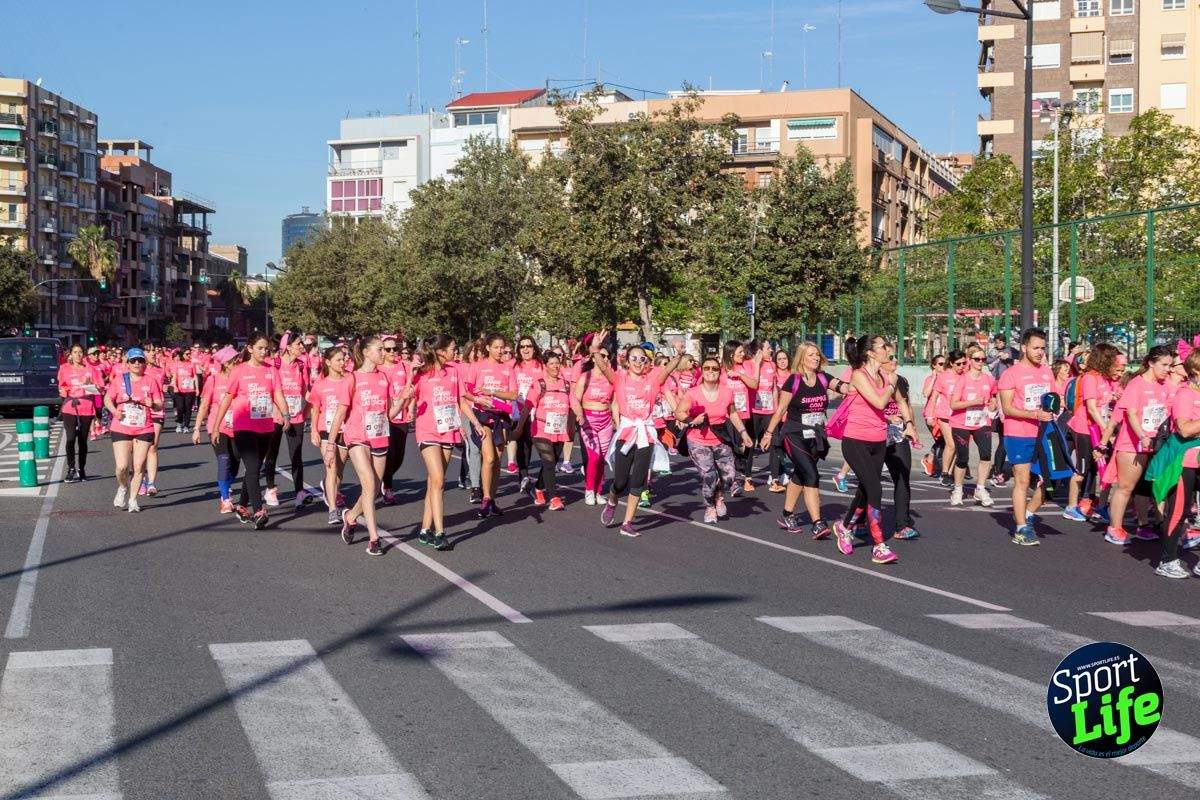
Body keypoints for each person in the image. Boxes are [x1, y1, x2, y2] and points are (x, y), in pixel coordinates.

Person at [588, 333, 683, 537]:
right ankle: (613, 499)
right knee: (621, 481)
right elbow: (604, 367)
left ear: (648, 362)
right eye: (634, 358)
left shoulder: (653, 379)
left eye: (643, 359)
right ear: (626, 361)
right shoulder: (619, 378)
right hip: (626, 432)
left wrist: (678, 354)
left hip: (645, 434)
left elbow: (668, 369)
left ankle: (627, 523)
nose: (639, 362)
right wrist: (596, 349)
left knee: (639, 480)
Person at [398, 334, 485, 550]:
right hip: (427, 430)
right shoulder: (422, 372)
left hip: (449, 430)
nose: (455, 352)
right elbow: (407, 395)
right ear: (440, 351)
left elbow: (461, 401)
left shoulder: (455, 371)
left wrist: (475, 423)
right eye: (452, 348)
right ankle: (439, 532)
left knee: (434, 482)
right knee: (438, 480)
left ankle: (425, 529)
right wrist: (410, 375)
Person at [760, 342, 846, 538]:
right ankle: (818, 523)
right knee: (812, 475)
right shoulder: (794, 380)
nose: (815, 358)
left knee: (800, 474)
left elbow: (844, 387)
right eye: (811, 355)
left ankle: (787, 514)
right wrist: (768, 434)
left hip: (816, 436)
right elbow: (781, 409)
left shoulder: (823, 378)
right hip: (794, 434)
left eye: (817, 354)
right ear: (802, 358)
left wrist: (860, 378)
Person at [328, 336, 403, 557]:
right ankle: (373, 538)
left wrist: (404, 400)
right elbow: (340, 413)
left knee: (374, 487)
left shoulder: (384, 378)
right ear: (367, 352)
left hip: (379, 435)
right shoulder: (352, 378)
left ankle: (351, 518)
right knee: (369, 482)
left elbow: (388, 414)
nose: (384, 353)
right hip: (357, 436)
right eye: (380, 349)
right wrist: (331, 444)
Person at [210, 334, 293, 530]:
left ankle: (241, 505)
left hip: (265, 427)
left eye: (267, 349)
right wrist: (216, 426)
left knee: (253, 468)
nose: (264, 352)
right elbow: (227, 399)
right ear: (250, 348)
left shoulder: (271, 370)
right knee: (254, 466)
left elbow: (278, 394)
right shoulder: (239, 371)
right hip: (243, 426)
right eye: (260, 348)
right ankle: (258, 510)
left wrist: (286, 415)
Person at [831, 334, 900, 564]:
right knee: (876, 490)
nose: (887, 349)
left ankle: (844, 526)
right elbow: (879, 402)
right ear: (871, 352)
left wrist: (894, 418)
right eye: (882, 346)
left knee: (865, 489)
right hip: (855, 440)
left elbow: (883, 409)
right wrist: (892, 384)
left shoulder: (881, 375)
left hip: (878, 439)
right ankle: (879, 545)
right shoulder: (859, 375)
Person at [1104, 345, 1173, 546]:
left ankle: (1147, 525)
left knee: (1149, 487)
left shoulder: (1166, 384)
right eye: (1164, 365)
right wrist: (1142, 435)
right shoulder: (1137, 384)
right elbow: (1132, 413)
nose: (1167, 369)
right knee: (1126, 486)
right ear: (1151, 363)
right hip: (1132, 444)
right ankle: (1114, 528)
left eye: (1170, 365)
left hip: (1158, 443)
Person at [997, 328, 1056, 546]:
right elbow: (1008, 408)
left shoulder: (1046, 372)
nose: (1040, 352)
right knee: (1022, 481)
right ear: (1024, 348)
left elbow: (1051, 399)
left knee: (1054, 481)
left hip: (1043, 433)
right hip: (1019, 434)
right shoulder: (1011, 374)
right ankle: (1021, 528)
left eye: (1043, 348)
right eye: (1036, 348)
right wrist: (1034, 414)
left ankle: (1028, 512)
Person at [677, 355, 751, 523]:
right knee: (709, 476)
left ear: (719, 372)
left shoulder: (727, 392)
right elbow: (679, 413)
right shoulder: (693, 393)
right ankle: (710, 507)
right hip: (698, 439)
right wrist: (691, 420)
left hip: (720, 438)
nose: (711, 371)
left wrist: (744, 433)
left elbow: (732, 413)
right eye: (707, 368)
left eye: (715, 369)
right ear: (702, 372)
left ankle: (719, 496)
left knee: (729, 475)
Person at [1063, 343, 1121, 522]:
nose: (1116, 362)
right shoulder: (1089, 378)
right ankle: (1071, 507)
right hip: (1084, 429)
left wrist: (1113, 398)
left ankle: (1101, 506)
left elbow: (1104, 402)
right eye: (1112, 359)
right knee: (1082, 469)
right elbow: (1091, 407)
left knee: (1105, 468)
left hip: (1100, 429)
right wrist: (1106, 427)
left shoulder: (1105, 378)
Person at [1155, 348, 1200, 578]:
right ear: (1196, 372)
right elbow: (1183, 428)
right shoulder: (1186, 394)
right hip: (1185, 461)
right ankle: (1168, 560)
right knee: (1178, 511)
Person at [462, 334, 518, 517]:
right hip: (483, 415)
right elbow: (466, 392)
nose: (500, 351)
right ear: (488, 348)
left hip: (501, 416)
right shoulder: (477, 367)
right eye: (496, 347)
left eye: (502, 347)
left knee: (497, 461)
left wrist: (492, 392)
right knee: (489, 458)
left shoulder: (508, 369)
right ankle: (485, 498)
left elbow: (513, 395)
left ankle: (492, 499)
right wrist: (479, 399)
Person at [104, 347, 164, 513]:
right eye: (133, 361)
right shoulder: (119, 380)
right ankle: (123, 487)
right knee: (122, 467)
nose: (137, 363)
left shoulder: (151, 381)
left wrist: (153, 404)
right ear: (127, 363)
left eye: (140, 360)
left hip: (144, 427)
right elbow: (108, 398)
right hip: (121, 425)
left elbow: (160, 403)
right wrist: (114, 411)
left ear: (144, 363)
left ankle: (133, 499)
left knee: (138, 467)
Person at [516, 350, 574, 510]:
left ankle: (538, 488)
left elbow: (573, 406)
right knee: (548, 462)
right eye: (552, 364)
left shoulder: (566, 385)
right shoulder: (539, 384)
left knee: (552, 462)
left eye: (557, 363)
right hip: (541, 429)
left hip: (559, 429)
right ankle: (554, 498)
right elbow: (527, 407)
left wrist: (574, 424)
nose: (556, 366)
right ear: (545, 366)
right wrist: (520, 428)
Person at [192, 346, 241, 513]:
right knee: (224, 460)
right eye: (236, 361)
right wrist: (197, 428)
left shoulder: (240, 379)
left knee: (235, 463)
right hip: (217, 427)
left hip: (238, 427)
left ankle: (226, 487)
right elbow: (204, 405)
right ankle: (225, 498)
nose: (239, 363)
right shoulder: (213, 380)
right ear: (227, 364)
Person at [263, 334, 310, 509]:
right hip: (275, 416)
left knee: (296, 455)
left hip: (296, 415)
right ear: (288, 347)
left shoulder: (301, 365)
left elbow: (305, 391)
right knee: (271, 454)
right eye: (299, 344)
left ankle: (299, 492)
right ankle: (270, 488)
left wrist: (313, 407)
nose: (302, 347)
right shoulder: (273, 364)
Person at [307, 346, 353, 526]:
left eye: (344, 359)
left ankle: (329, 487)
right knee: (331, 467)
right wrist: (313, 431)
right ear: (328, 362)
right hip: (326, 430)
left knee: (339, 471)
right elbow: (315, 409)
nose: (343, 363)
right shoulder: (320, 384)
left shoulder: (349, 380)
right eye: (338, 360)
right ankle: (333, 509)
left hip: (345, 430)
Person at [948, 343, 997, 507]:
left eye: (983, 359)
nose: (981, 362)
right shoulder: (962, 379)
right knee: (963, 457)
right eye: (977, 359)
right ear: (970, 360)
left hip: (982, 422)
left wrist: (993, 405)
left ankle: (980, 488)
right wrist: (972, 402)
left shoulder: (989, 380)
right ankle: (958, 489)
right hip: (961, 422)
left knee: (985, 455)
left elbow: (994, 396)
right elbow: (953, 404)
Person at [881, 344, 921, 539]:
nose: (894, 361)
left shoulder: (901, 381)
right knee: (869, 482)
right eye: (890, 358)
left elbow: (906, 404)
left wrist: (911, 427)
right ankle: (859, 520)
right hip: (876, 433)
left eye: (895, 357)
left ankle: (902, 525)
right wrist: (887, 418)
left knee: (903, 475)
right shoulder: (869, 380)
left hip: (898, 433)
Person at [572, 335, 616, 506]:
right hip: (589, 420)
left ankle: (598, 491)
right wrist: (579, 414)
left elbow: (615, 402)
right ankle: (589, 490)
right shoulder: (585, 376)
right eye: (601, 355)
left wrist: (617, 421)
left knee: (602, 458)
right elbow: (575, 399)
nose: (604, 358)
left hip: (606, 422)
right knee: (594, 457)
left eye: (606, 356)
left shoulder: (611, 378)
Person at [720, 340, 762, 494]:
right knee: (733, 447)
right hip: (727, 415)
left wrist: (739, 374)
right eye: (739, 352)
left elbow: (754, 384)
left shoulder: (744, 366)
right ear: (730, 354)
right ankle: (733, 480)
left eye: (743, 352)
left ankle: (739, 477)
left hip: (744, 413)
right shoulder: (721, 370)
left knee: (745, 446)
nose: (743, 354)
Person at [58, 344, 103, 483]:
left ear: (83, 355)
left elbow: (100, 389)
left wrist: (91, 385)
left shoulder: (90, 369)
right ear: (70, 354)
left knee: (82, 440)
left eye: (80, 352)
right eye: (75, 352)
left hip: (86, 407)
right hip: (70, 407)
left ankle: (81, 468)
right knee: (71, 438)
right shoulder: (64, 368)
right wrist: (63, 391)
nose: (78, 355)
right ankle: (71, 468)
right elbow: (62, 386)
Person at [379, 337, 413, 506]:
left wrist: (412, 408)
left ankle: (384, 476)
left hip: (402, 416)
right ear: (382, 351)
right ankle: (388, 486)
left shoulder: (405, 366)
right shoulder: (378, 369)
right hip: (384, 417)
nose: (392, 352)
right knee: (389, 453)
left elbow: (412, 389)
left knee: (399, 455)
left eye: (395, 349)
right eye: (388, 349)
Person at [512, 336, 544, 494]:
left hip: (537, 410)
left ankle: (540, 479)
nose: (525, 349)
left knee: (537, 444)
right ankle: (523, 475)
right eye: (522, 346)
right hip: (518, 410)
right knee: (522, 444)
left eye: (529, 346)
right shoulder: (514, 365)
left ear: (534, 347)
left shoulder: (541, 365)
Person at [929, 350, 966, 487]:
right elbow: (934, 397)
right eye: (958, 364)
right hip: (944, 415)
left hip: (960, 416)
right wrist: (930, 415)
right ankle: (944, 472)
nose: (961, 366)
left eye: (964, 363)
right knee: (951, 444)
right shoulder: (944, 377)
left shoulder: (965, 377)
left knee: (958, 446)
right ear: (951, 363)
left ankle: (950, 473)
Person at [766, 347, 793, 491]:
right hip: (775, 416)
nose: (782, 362)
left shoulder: (793, 375)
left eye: (785, 359)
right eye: (779, 359)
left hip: (790, 417)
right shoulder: (773, 375)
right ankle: (775, 475)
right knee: (776, 446)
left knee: (786, 447)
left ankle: (782, 472)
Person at [919, 354, 946, 478]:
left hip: (944, 414)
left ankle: (930, 460)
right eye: (940, 364)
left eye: (945, 363)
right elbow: (925, 393)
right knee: (942, 441)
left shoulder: (947, 378)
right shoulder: (930, 379)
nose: (943, 366)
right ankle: (932, 462)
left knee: (944, 441)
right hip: (932, 415)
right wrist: (935, 378)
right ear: (934, 366)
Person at [171, 348, 198, 433]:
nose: (189, 355)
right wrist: (175, 386)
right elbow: (175, 376)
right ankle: (179, 424)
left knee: (188, 408)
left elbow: (195, 377)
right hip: (179, 390)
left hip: (189, 390)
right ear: (182, 355)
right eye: (187, 354)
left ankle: (186, 426)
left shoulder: (192, 364)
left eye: (189, 354)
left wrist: (197, 388)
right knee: (180, 408)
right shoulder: (177, 364)